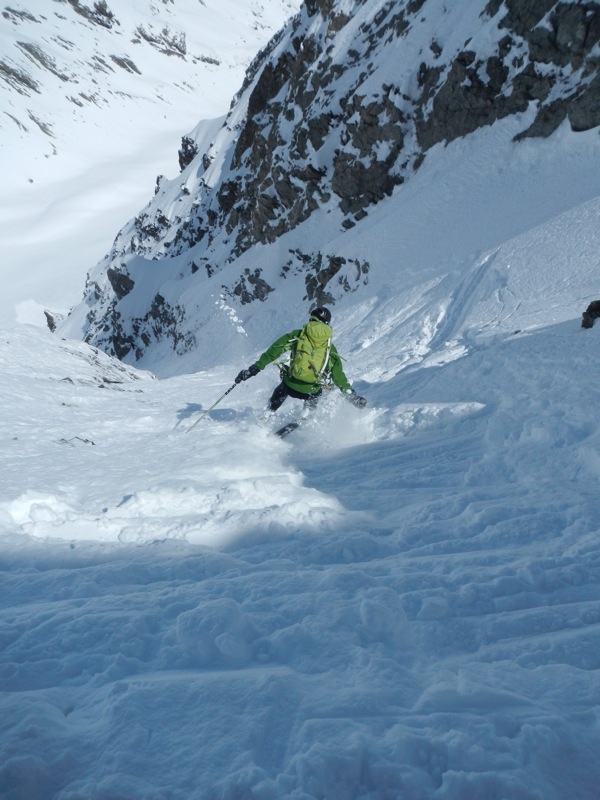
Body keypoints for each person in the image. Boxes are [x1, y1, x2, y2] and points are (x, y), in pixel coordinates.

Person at [235, 306, 367, 414]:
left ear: (311, 319)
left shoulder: (297, 335)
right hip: (311, 391)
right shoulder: (329, 347)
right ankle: (306, 417)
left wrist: (255, 368)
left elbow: (274, 351)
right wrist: (351, 396)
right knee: (316, 392)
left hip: (290, 385)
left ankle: (269, 412)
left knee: (284, 384)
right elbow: (338, 375)